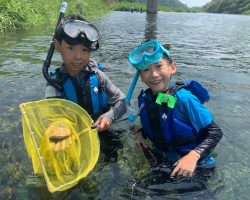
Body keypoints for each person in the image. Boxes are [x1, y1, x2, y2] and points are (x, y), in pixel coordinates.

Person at [128, 40, 223, 177]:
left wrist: (193, 156)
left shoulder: (184, 98)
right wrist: (142, 133)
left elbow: (215, 132)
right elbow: (161, 119)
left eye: (159, 66)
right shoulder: (154, 98)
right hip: (163, 159)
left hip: (195, 164)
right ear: (140, 76)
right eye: (146, 70)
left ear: (172, 67)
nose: (154, 74)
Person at [44, 14, 126, 162]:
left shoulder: (99, 76)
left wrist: (109, 116)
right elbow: (52, 113)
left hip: (102, 130)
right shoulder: (54, 82)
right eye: (70, 48)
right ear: (57, 45)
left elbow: (121, 101)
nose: (78, 56)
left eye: (85, 50)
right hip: (72, 136)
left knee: (114, 159)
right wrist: (58, 125)